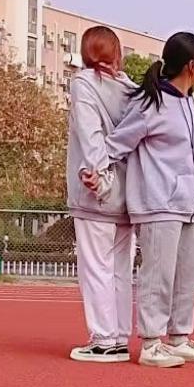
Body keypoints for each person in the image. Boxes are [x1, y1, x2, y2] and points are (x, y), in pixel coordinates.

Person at [106, 32, 194, 368]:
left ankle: (179, 337)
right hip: (158, 204)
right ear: (191, 66)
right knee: (159, 275)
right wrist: (96, 172)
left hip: (190, 206)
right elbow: (117, 143)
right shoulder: (151, 104)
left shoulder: (190, 100)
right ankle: (151, 343)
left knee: (189, 274)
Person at [66, 26, 138, 363]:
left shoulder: (84, 84)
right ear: (117, 54)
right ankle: (119, 336)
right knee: (121, 269)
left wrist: (99, 175)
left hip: (97, 191)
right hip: (127, 193)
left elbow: (90, 133)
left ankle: (104, 340)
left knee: (96, 267)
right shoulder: (131, 89)